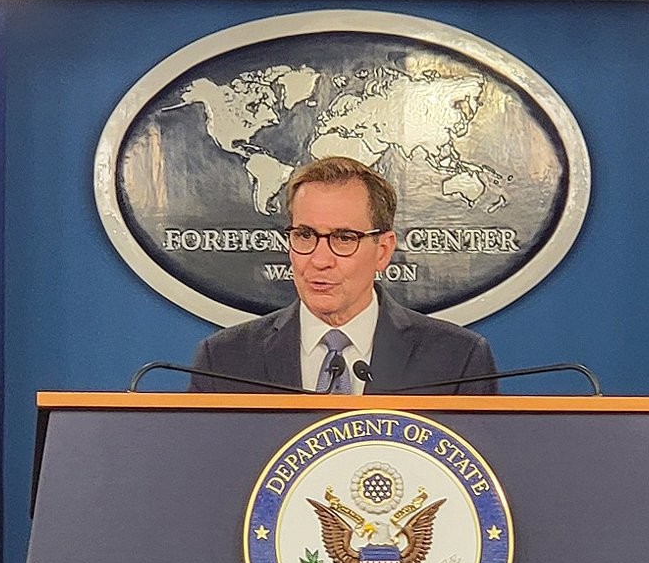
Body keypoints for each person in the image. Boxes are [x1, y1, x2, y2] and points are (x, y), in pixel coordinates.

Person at [189, 156, 497, 394]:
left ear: (383, 250)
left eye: (344, 238)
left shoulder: (458, 361)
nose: (319, 259)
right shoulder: (224, 360)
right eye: (305, 235)